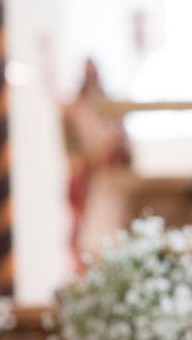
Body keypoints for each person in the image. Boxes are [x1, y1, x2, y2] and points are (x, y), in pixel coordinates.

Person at [61, 59, 132, 273]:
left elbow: (125, 151)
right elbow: (74, 153)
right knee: (86, 234)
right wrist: (92, 155)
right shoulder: (74, 109)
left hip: (110, 180)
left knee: (113, 228)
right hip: (89, 181)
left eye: (94, 72)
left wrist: (114, 144)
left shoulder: (112, 107)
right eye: (87, 73)